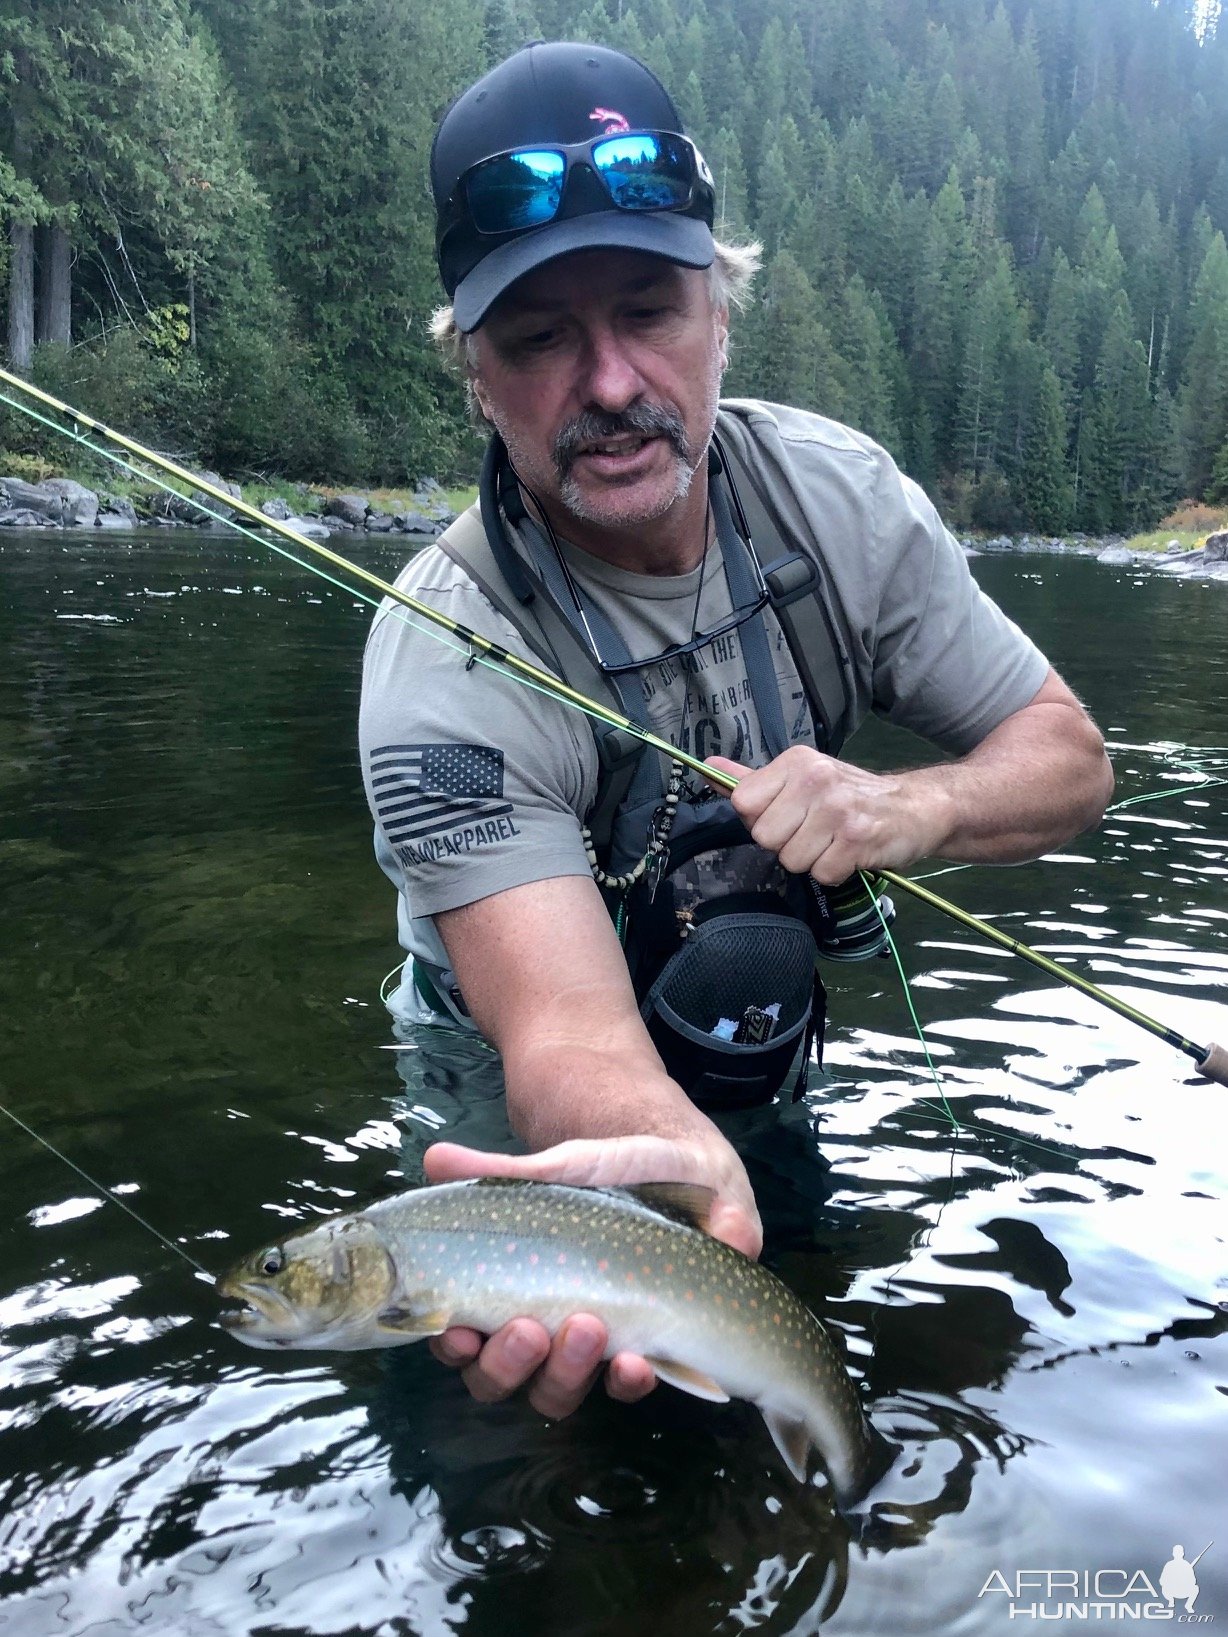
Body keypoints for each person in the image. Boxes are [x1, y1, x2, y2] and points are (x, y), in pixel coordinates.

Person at [359, 41, 1113, 1423]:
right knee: (531, 1468)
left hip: (761, 1061)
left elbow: (1070, 755)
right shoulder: (439, 658)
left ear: (724, 311)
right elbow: (565, 1037)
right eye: (538, 339)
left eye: (649, 310)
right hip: (514, 1135)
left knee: (811, 1389)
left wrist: (908, 811)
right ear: (476, 375)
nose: (607, 381)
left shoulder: (845, 510)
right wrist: (666, 1165)